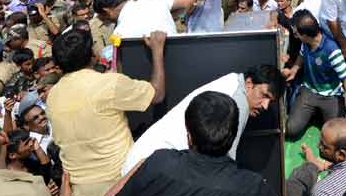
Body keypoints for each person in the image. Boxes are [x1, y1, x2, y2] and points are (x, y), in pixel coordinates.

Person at [82, 91, 303, 196]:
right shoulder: (253, 189)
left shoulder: (158, 164)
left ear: (188, 135)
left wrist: (133, 173)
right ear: (233, 134)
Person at [45, 27, 167, 196]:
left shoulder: (53, 95)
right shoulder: (108, 84)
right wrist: (157, 51)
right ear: (92, 54)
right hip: (120, 184)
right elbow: (157, 94)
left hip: (82, 193)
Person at [121, 64, 284, 174]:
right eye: (264, 96)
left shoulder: (233, 81)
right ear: (249, 84)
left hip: (145, 161)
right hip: (150, 167)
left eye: (271, 101)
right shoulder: (238, 102)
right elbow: (224, 165)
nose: (265, 106)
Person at [283, 10, 346, 139]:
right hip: (309, 91)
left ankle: (318, 113)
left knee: (334, 136)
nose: (295, 35)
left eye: (296, 33)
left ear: (305, 34)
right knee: (291, 130)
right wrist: (294, 70)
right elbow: (301, 55)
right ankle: (314, 113)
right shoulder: (306, 42)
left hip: (331, 96)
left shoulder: (332, 50)